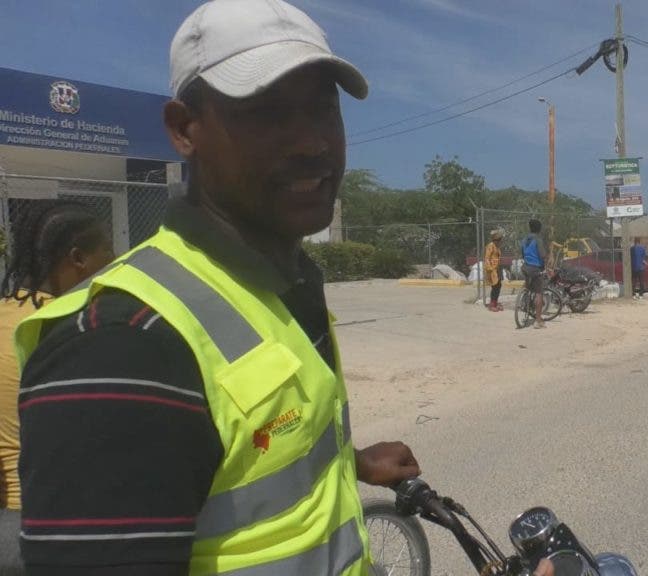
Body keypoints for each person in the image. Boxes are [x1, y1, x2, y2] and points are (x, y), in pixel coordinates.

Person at [13, 2, 429, 574]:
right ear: (184, 129)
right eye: (268, 113)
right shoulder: (123, 344)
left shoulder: (287, 284)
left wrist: (351, 460)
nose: (312, 142)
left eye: (323, 109)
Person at [0, 201, 114, 574]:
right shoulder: (75, 330)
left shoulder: (4, 314)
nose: (114, 262)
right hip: (51, 525)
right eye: (107, 252)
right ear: (78, 258)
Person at [521, 219, 549, 328]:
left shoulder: (524, 239)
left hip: (525, 267)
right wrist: (546, 260)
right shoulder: (538, 239)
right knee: (539, 293)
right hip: (536, 268)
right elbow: (542, 255)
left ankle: (525, 303)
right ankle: (538, 321)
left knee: (528, 287)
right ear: (539, 229)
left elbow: (522, 253)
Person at [484, 229, 504, 311]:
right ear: (494, 240)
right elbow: (487, 258)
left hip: (497, 269)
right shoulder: (490, 246)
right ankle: (492, 305)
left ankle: (495, 302)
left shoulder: (497, 247)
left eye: (500, 240)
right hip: (492, 270)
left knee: (498, 286)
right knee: (495, 286)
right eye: (498, 240)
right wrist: (490, 269)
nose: (499, 241)